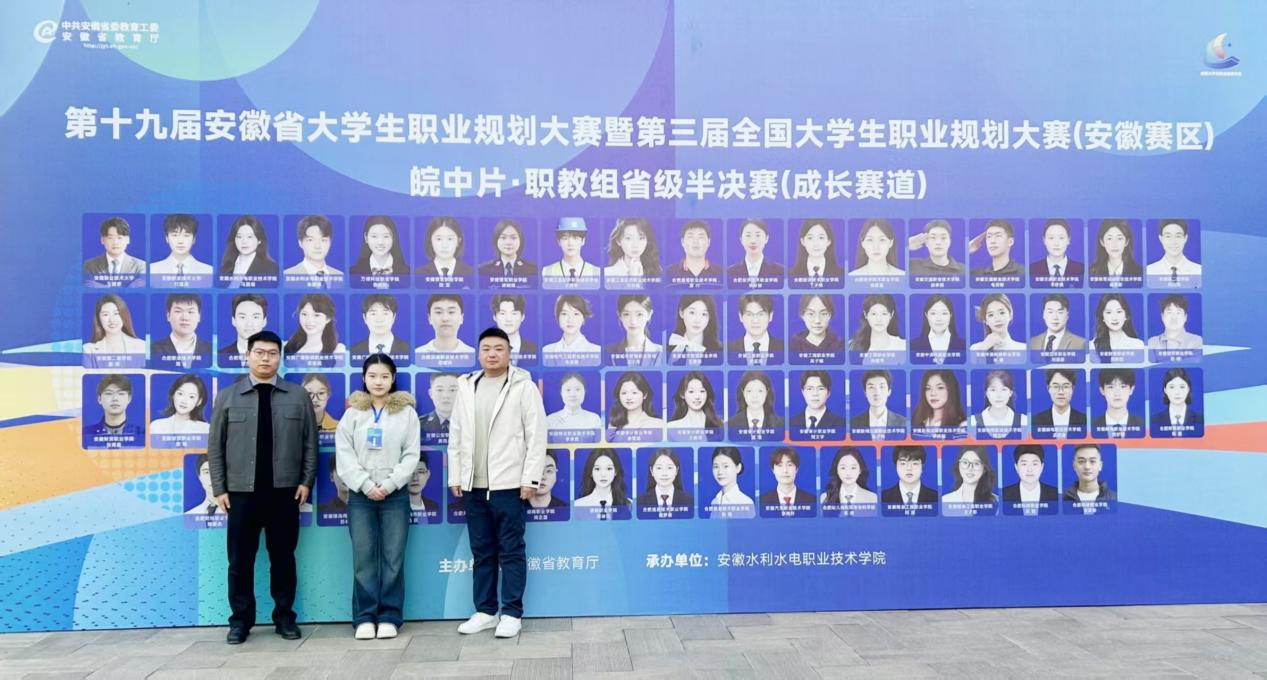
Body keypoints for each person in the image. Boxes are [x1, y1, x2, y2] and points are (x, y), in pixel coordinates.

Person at [207, 330, 317, 644]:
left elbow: (310, 444)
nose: (265, 359)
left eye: (272, 353)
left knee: (283, 560)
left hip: (285, 493)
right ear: (248, 355)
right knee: (240, 561)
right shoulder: (228, 396)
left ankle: (285, 618)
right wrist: (220, 488)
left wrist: (306, 481)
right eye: (259, 352)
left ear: (280, 357)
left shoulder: (298, 395)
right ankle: (240, 621)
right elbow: (215, 447)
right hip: (241, 494)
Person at [448, 327, 547, 639]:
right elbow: (456, 433)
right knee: (482, 551)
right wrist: (456, 475)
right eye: (486, 349)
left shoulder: (523, 386)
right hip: (473, 485)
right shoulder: (467, 385)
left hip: (509, 484)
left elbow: (536, 436)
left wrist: (530, 478)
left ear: (509, 353)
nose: (492, 354)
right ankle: (486, 612)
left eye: (499, 349)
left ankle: (512, 613)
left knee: (511, 550)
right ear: (479, 353)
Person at [335, 353, 420, 640]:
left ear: (393, 379)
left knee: (393, 557)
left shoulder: (406, 414)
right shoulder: (352, 414)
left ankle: (389, 616)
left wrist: (391, 483)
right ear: (364, 378)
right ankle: (364, 616)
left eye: (384, 376)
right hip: (361, 496)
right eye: (372, 376)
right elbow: (344, 455)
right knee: (364, 558)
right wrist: (364, 484)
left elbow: (411, 454)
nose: (378, 382)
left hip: (395, 495)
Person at [151, 293, 212, 369]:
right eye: (178, 311)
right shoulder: (152, 350)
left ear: (199, 317)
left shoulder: (212, 350)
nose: (185, 318)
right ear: (168, 316)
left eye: (190, 312)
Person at [541, 294, 601, 365]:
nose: (570, 320)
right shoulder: (547, 351)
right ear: (558, 318)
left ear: (583, 318)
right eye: (564, 314)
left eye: (576, 314)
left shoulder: (597, 351)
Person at [83, 294, 147, 360]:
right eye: (105, 314)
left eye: (116, 313)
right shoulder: (88, 350)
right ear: (98, 318)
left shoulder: (142, 347)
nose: (112, 320)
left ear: (124, 315)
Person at [218, 215, 280, 283]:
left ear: (259, 240)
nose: (244, 241)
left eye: (249, 237)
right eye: (239, 237)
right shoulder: (226, 266)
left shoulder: (271, 268)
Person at [605, 294, 662, 366]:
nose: (633, 321)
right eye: (626, 314)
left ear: (649, 315)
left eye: (639, 314)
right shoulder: (607, 352)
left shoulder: (661, 353)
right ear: (619, 315)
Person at [606, 372, 665, 441]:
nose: (629, 397)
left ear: (645, 395)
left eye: (634, 393)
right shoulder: (614, 424)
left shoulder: (657, 424)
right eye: (624, 393)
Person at [284, 294, 347, 359]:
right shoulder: (285, 346)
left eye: (316, 315)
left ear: (328, 319)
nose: (309, 320)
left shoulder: (338, 351)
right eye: (304, 314)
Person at [574, 448, 632, 518]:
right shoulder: (577, 506)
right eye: (597, 469)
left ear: (615, 472)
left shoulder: (629, 505)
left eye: (609, 468)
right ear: (591, 472)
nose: (603, 474)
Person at [849, 370, 908, 437]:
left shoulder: (903, 423)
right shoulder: (853, 424)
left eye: (881, 387)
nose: (877, 392)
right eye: (871, 387)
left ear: (889, 391)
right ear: (865, 393)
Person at [283, 214, 343, 280]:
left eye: (323, 240)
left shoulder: (340, 276)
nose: (317, 246)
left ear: (330, 242)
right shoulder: (286, 276)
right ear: (300, 243)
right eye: (310, 240)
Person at [971, 370, 1027, 438]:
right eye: (993, 390)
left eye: (1003, 389)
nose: (998, 395)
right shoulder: (973, 422)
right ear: (986, 393)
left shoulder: (1024, 421)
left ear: (1010, 393)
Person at [728, 294, 783, 364]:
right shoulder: (728, 349)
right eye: (749, 314)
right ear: (740, 317)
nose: (755, 320)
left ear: (770, 316)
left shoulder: (785, 348)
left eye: (761, 314)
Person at [1032, 368, 1087, 439]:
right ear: (1048, 388)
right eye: (1056, 386)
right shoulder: (1035, 421)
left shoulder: (1085, 420)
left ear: (1073, 389)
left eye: (1066, 386)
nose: (1061, 392)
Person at [541, 217, 599, 284]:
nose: (570, 243)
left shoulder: (596, 272)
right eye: (565, 238)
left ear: (583, 241)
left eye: (575, 238)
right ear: (559, 241)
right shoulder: (546, 272)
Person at [910, 294, 965, 364]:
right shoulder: (913, 346)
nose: (939, 319)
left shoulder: (963, 345)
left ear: (950, 315)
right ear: (926, 315)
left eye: (944, 313)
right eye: (933, 313)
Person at [85, 374, 143, 440]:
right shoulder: (85, 433)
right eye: (109, 393)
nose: (115, 398)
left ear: (129, 399)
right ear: (99, 399)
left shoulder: (142, 433)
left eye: (121, 393)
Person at [820, 447, 878, 511]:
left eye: (853, 468)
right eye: (843, 468)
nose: (848, 473)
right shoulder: (825, 498)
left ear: (860, 470)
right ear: (836, 470)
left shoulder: (872, 498)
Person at [727, 218, 784, 283]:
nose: (753, 241)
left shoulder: (780, 271)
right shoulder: (730, 272)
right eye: (748, 235)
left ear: (766, 238)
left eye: (758, 235)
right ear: (741, 240)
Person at [667, 295, 721, 363]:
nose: (697, 320)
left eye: (704, 314)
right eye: (692, 312)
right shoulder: (667, 348)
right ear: (681, 313)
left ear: (709, 317)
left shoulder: (719, 352)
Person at [1090, 293, 1146, 360]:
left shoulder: (1137, 345)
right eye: (1108, 312)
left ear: (1126, 315)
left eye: (1119, 312)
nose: (1114, 318)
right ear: (1102, 317)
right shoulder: (1093, 346)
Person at [1152, 367, 1203, 436]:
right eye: (1172, 387)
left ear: (1188, 389)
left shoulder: (1200, 420)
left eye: (1182, 387)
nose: (1177, 392)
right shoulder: (1154, 420)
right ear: (1165, 390)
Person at [912, 369, 967, 434]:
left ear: (951, 390)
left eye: (940, 388)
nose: (932, 393)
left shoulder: (962, 426)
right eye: (928, 388)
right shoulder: (918, 420)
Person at [1093, 369, 1144, 437]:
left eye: (1123, 386)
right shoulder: (1091, 425)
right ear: (1102, 390)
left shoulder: (1144, 425)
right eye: (1111, 387)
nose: (1117, 393)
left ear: (1131, 389)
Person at [1029, 219, 1083, 283]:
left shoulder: (1081, 269)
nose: (1056, 243)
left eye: (1061, 238)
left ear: (1068, 240)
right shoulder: (1032, 269)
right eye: (1051, 238)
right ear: (1044, 240)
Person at [707, 447, 756, 518]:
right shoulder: (715, 501)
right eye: (716, 466)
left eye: (726, 466)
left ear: (738, 468)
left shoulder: (746, 503)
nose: (720, 472)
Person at [219, 294, 268, 359]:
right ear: (233, 320)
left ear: (264, 321)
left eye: (255, 317)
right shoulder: (220, 356)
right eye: (242, 317)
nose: (249, 324)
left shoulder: (277, 356)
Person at [420, 373, 459, 438]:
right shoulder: (419, 424)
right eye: (440, 390)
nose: (446, 396)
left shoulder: (470, 423)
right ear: (431, 393)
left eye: (452, 390)